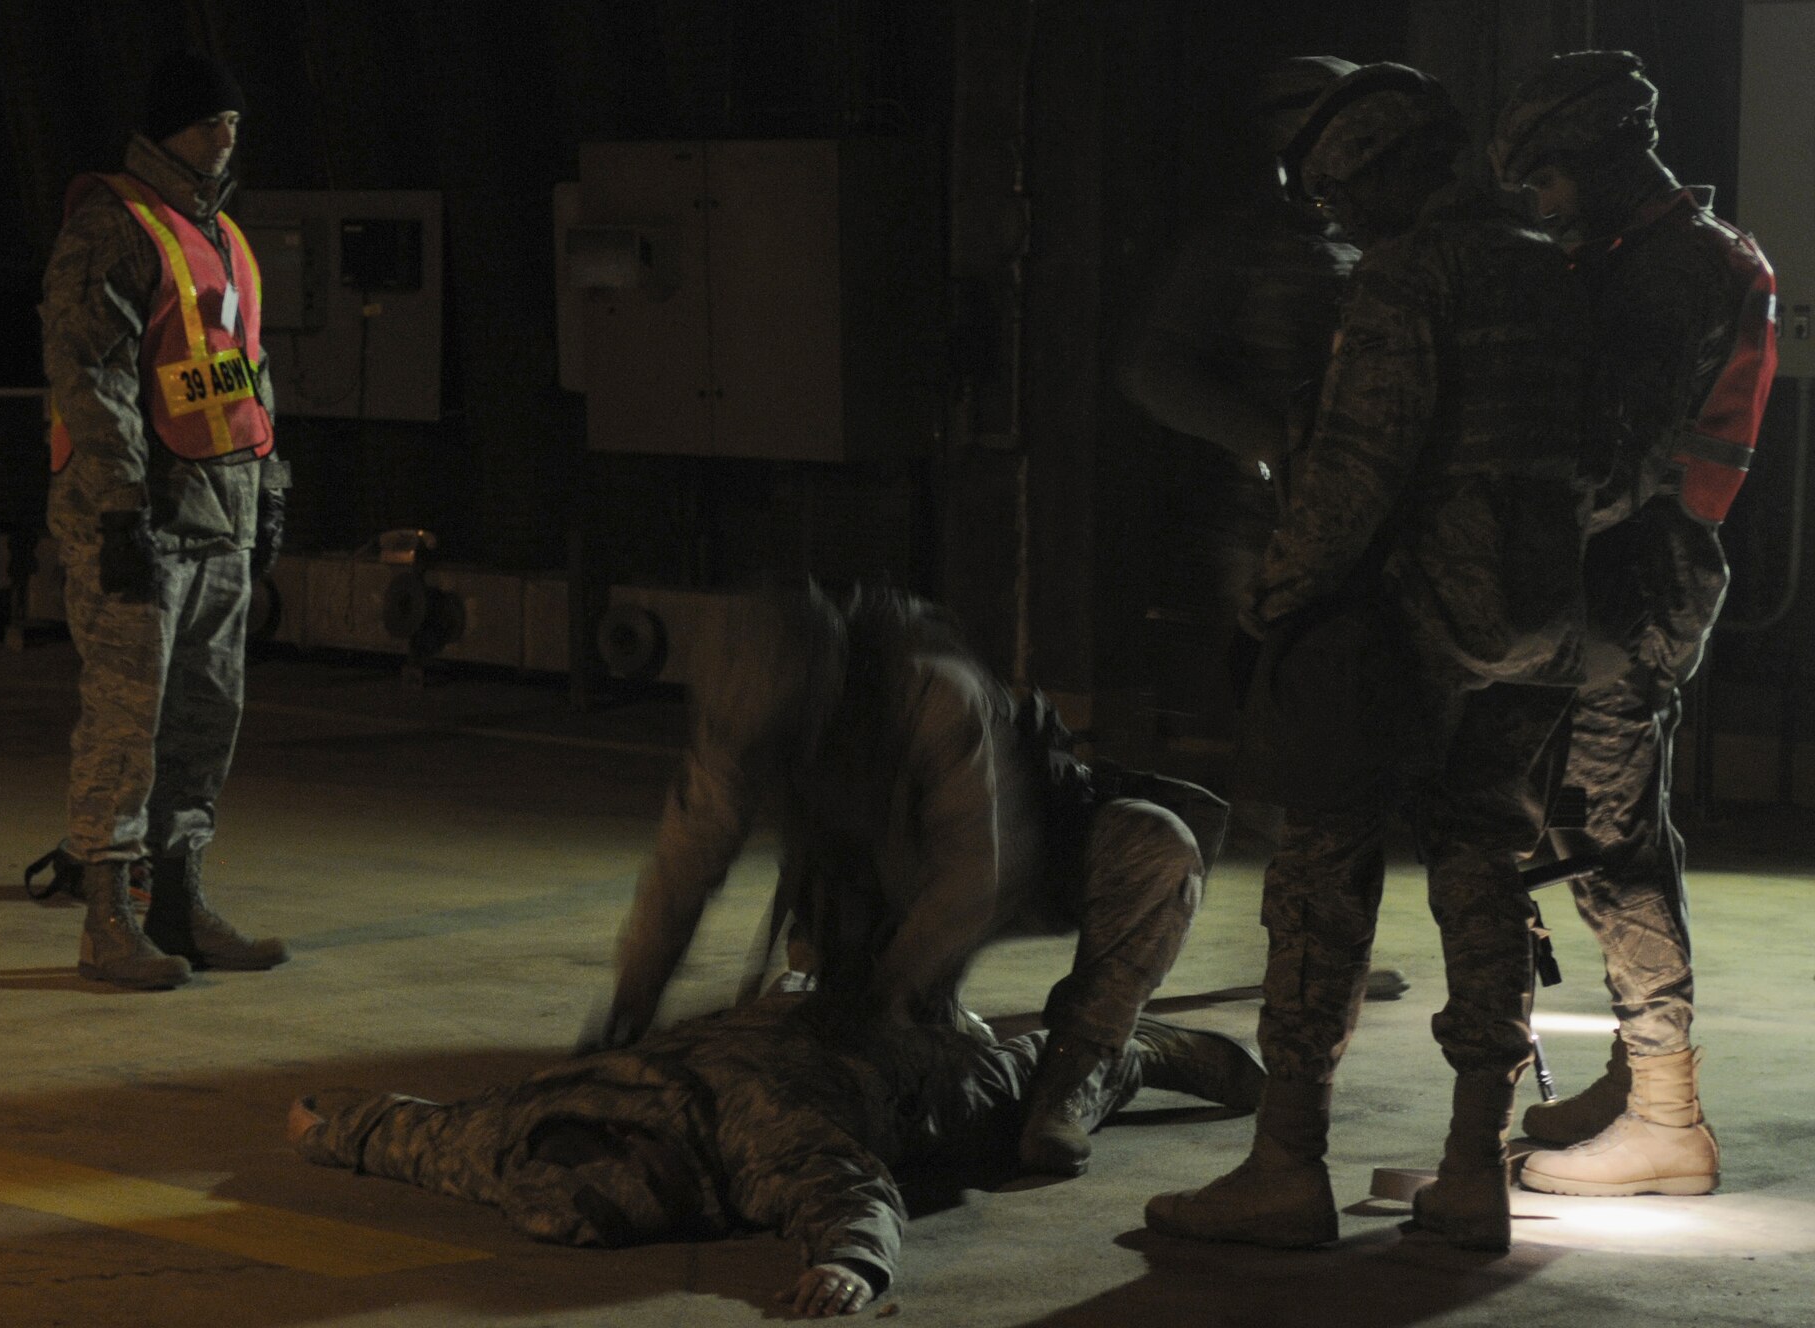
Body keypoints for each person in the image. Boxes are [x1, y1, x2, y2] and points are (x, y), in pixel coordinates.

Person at [1142, 63, 1593, 1252]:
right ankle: (1469, 1168)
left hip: (1406, 631)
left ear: (1394, 173)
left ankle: (1285, 1165)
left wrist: (1273, 602)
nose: (1336, 219)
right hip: (1542, 621)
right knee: (1484, 873)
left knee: (1319, 878)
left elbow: (1357, 474)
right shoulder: (1554, 267)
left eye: (1344, 193)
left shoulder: (1409, 276)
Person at [590, 582, 1252, 1179]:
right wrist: (631, 1003)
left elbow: (980, 875)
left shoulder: (933, 689)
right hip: (879, 893)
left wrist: (893, 992)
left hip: (1024, 861)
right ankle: (979, 1033)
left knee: (1158, 851)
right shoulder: (747, 713)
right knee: (879, 1079)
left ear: (829, 686)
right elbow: (686, 862)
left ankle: (1090, 1063)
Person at [1488, 51, 1777, 1198]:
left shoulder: (1668, 272)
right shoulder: (1658, 252)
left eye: (1548, 175)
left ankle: (1664, 1116)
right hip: (1633, 574)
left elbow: (1612, 459)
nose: (1539, 201)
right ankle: (1637, 1077)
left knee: (1608, 838)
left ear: (1604, 155)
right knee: (1616, 827)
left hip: (1628, 579)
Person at [291, 992, 1257, 1318]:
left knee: (1011, 1098)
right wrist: (325, 1127)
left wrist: (849, 1262)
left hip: (888, 1052)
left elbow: (856, 1193)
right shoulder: (520, 1143)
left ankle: (1131, 1050)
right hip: (779, 1014)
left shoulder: (758, 1134)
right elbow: (407, 1134)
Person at [1116, 52, 1409, 1004]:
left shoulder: (1392, 237)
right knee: (1292, 748)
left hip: (1383, 524)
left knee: (1357, 748)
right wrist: (1271, 439)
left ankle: (1329, 950)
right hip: (1274, 523)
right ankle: (1300, 963)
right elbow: (1154, 369)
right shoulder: (1241, 247)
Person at [39, 49, 290, 989]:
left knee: (203, 718)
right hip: (138, 518)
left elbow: (245, 375)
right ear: (167, 131)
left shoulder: (222, 234)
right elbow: (91, 379)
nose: (226, 135)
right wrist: (115, 512)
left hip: (218, 513)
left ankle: (179, 902)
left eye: (234, 121)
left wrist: (270, 490)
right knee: (125, 719)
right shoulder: (115, 227)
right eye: (209, 121)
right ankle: (107, 917)